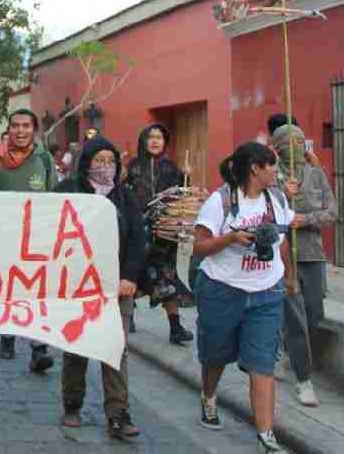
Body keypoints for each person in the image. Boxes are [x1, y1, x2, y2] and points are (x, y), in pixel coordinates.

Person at [192, 142, 295, 454]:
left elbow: (282, 240)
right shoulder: (220, 200)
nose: (277, 171)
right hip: (222, 289)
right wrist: (232, 238)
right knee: (215, 355)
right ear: (255, 168)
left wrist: (289, 276)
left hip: (266, 291)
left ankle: (266, 435)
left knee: (263, 363)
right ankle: (209, 397)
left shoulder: (276, 198)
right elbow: (199, 246)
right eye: (272, 165)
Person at [56, 136, 146, 440]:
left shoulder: (126, 197)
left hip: (115, 285)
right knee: (77, 345)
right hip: (77, 284)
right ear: (87, 163)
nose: (105, 166)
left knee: (114, 348)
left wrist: (130, 277)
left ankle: (118, 413)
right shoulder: (67, 191)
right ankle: (72, 403)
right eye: (99, 160)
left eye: (111, 160)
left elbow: (137, 239)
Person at [0, 109, 57, 370]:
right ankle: (7, 335)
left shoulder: (44, 159)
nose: (20, 131)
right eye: (15, 126)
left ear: (34, 130)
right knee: (7, 288)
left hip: (37, 239)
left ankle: (39, 348)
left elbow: (57, 198)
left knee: (36, 290)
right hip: (4, 237)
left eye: (26, 126)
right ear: (8, 129)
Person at [270, 119, 335, 407]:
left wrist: (305, 219)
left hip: (312, 254)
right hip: (286, 257)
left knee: (313, 313)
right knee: (295, 318)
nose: (294, 147)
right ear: (278, 148)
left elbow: (332, 212)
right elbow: (263, 214)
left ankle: (286, 348)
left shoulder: (316, 175)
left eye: (298, 141)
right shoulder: (272, 179)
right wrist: (284, 198)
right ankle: (304, 379)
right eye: (287, 143)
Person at [127, 123, 195, 345]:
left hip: (164, 232)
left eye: (159, 137)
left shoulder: (170, 167)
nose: (155, 141)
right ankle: (128, 318)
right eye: (151, 136)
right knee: (132, 272)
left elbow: (181, 195)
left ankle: (175, 328)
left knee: (167, 276)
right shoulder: (133, 166)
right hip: (138, 230)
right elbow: (123, 195)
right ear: (143, 140)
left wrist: (186, 177)